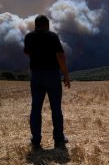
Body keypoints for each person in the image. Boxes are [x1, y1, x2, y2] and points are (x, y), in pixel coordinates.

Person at [24, 15, 70, 149]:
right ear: (47, 24)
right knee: (56, 108)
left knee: (36, 109)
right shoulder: (52, 36)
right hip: (52, 75)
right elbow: (60, 56)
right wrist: (66, 75)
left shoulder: (29, 37)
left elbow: (26, 52)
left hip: (37, 76)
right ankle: (59, 140)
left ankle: (36, 141)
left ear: (35, 24)